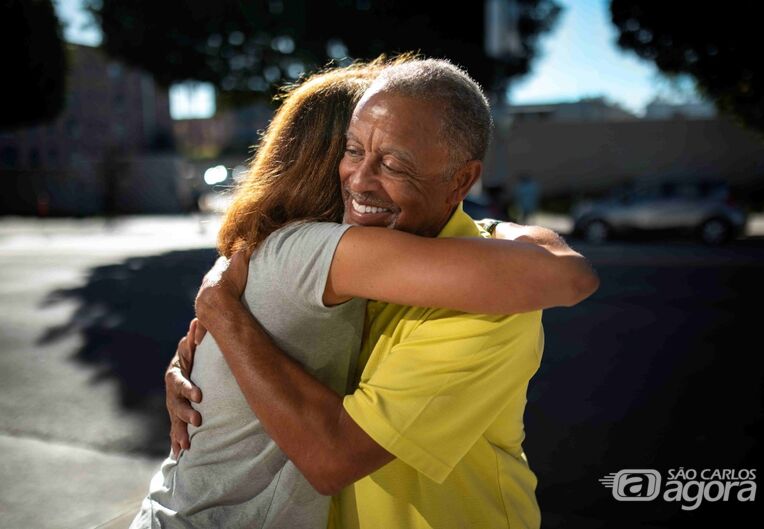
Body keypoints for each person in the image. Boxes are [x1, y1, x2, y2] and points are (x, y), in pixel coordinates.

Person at [165, 58, 599, 529]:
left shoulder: (494, 300)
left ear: (460, 181)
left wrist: (224, 315)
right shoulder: (339, 253)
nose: (359, 180)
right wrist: (200, 365)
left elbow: (332, 456)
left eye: (392, 163)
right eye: (353, 151)